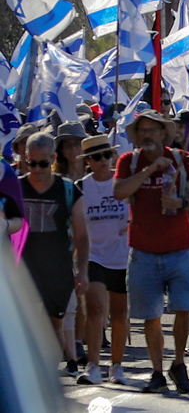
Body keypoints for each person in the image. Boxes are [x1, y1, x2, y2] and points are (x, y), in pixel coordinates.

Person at [113, 110, 189, 395]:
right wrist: (150, 170)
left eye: (153, 130)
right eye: (142, 131)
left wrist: (179, 203)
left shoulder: (182, 159)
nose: (147, 135)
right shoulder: (129, 162)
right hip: (143, 251)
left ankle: (178, 363)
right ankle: (156, 371)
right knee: (150, 316)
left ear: (163, 133)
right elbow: (119, 192)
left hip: (179, 249)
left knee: (185, 308)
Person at [19, 132, 89, 377]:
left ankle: (48, 374)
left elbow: (82, 235)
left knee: (54, 324)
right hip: (23, 268)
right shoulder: (15, 188)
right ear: (25, 159)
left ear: (53, 159)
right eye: (32, 163)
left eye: (43, 163)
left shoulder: (68, 190)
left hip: (58, 268)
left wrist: (82, 272)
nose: (37, 169)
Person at [77, 135, 129, 386]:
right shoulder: (80, 187)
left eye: (106, 156)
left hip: (122, 256)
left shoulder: (122, 184)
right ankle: (93, 364)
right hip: (93, 256)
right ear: (88, 161)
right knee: (96, 309)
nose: (103, 161)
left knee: (120, 314)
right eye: (96, 157)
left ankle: (116, 366)